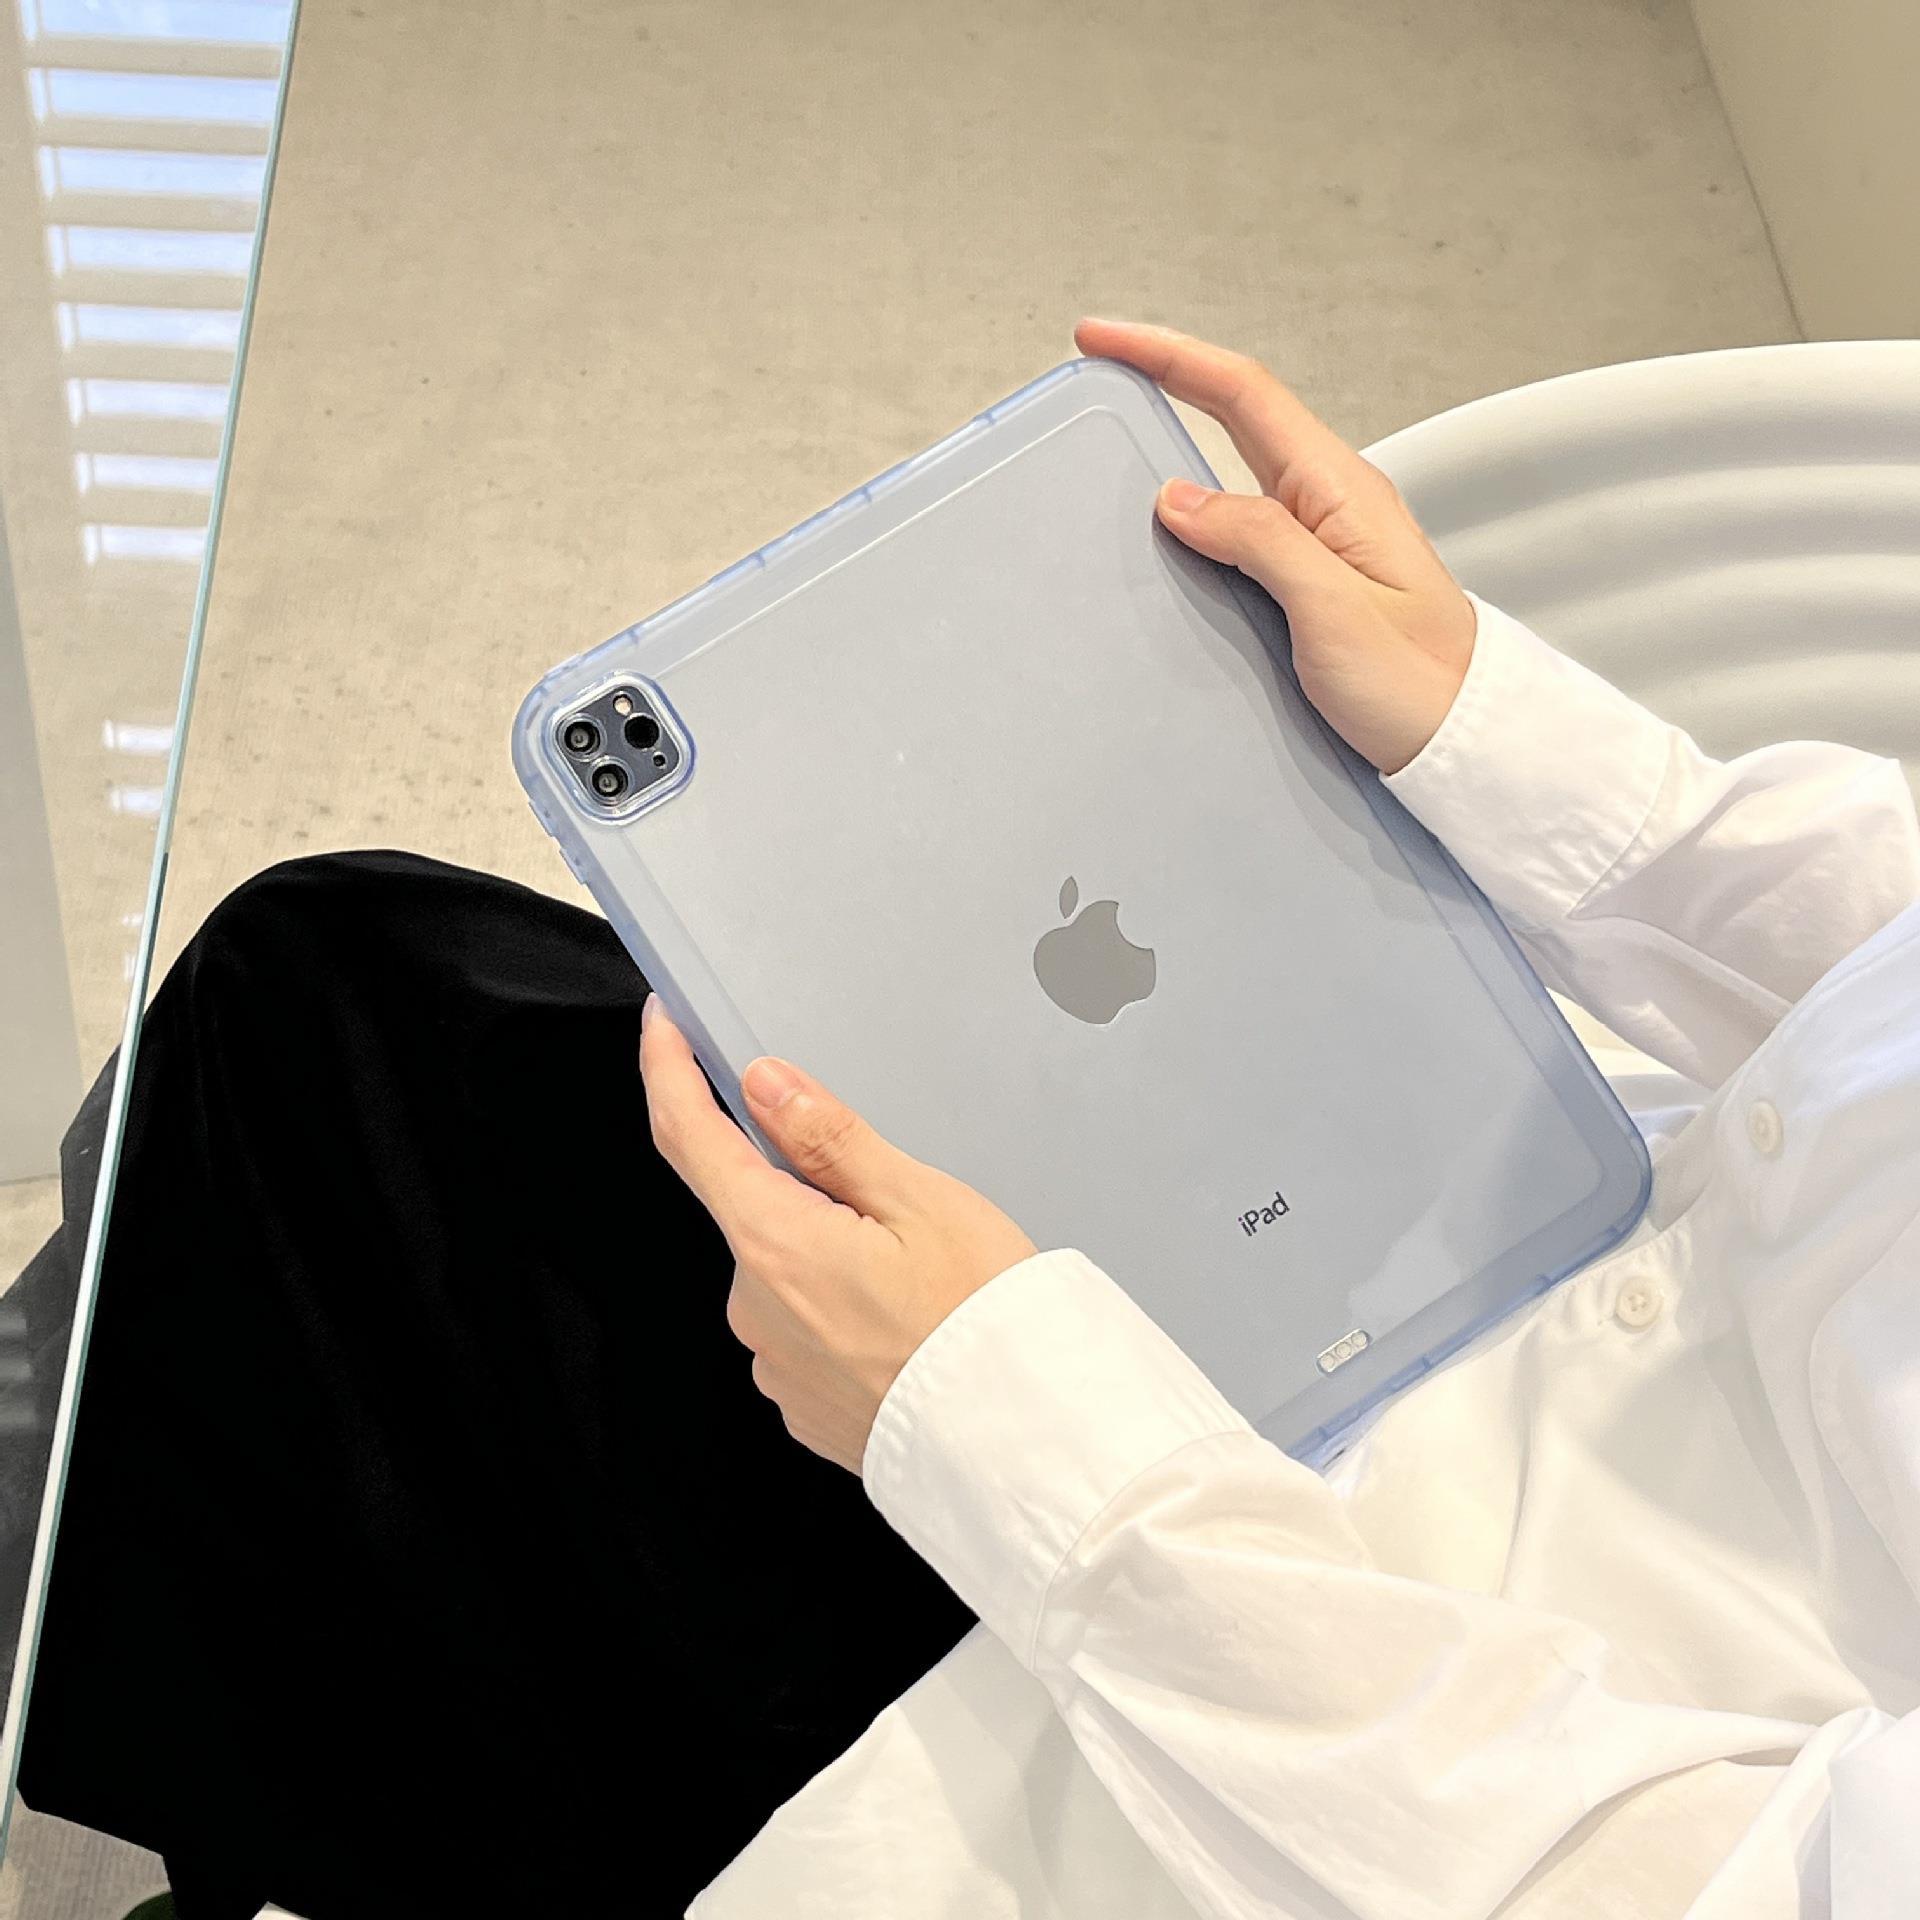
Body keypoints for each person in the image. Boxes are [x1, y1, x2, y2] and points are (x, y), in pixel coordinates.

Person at [12, 322, 1918, 1920]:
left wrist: (1009, 1436)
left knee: (322, 1074)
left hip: (1251, 1718)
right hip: (1495, 1247)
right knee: (363, 1000)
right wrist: (1520, 748)